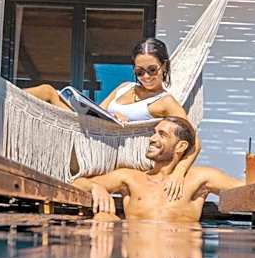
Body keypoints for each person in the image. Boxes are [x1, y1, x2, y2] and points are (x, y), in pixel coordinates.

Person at [26, 38, 199, 198]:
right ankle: (8, 98)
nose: (146, 77)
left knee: (48, 93)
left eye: (152, 70)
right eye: (139, 72)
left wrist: (179, 172)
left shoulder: (166, 102)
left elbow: (194, 141)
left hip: (110, 153)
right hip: (92, 136)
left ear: (164, 66)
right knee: (46, 91)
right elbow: (97, 112)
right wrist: (111, 116)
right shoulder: (124, 87)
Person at [72, 116, 255, 224]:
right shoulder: (130, 178)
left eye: (162, 135)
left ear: (180, 147)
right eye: (154, 133)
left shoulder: (199, 178)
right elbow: (76, 183)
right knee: (102, 219)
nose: (152, 139)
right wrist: (95, 187)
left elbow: (246, 192)